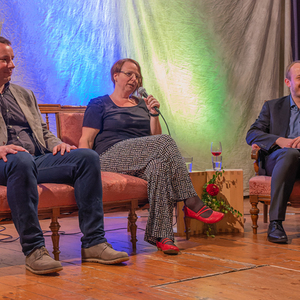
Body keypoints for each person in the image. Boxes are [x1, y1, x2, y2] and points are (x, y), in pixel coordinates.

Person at [0, 36, 129, 275]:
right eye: (5, 60)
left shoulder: (23, 94)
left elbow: (43, 131)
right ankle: (35, 250)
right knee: (21, 159)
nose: (12, 65)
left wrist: (58, 144)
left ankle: (94, 243)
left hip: (33, 159)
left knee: (87, 157)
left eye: (13, 59)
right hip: (5, 162)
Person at [79, 58, 224, 255]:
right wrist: (85, 166)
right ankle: (191, 201)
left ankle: (163, 236)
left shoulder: (142, 105)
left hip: (141, 157)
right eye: (129, 74)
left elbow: (155, 140)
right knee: (164, 142)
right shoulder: (99, 103)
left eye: (137, 76)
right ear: (115, 76)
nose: (134, 79)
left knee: (159, 166)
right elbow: (86, 140)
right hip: (108, 156)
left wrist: (153, 114)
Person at [246, 60, 300, 244]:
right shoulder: (273, 107)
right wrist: (279, 140)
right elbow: (252, 134)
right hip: (279, 160)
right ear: (288, 83)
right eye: (299, 78)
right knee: (290, 154)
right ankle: (276, 223)